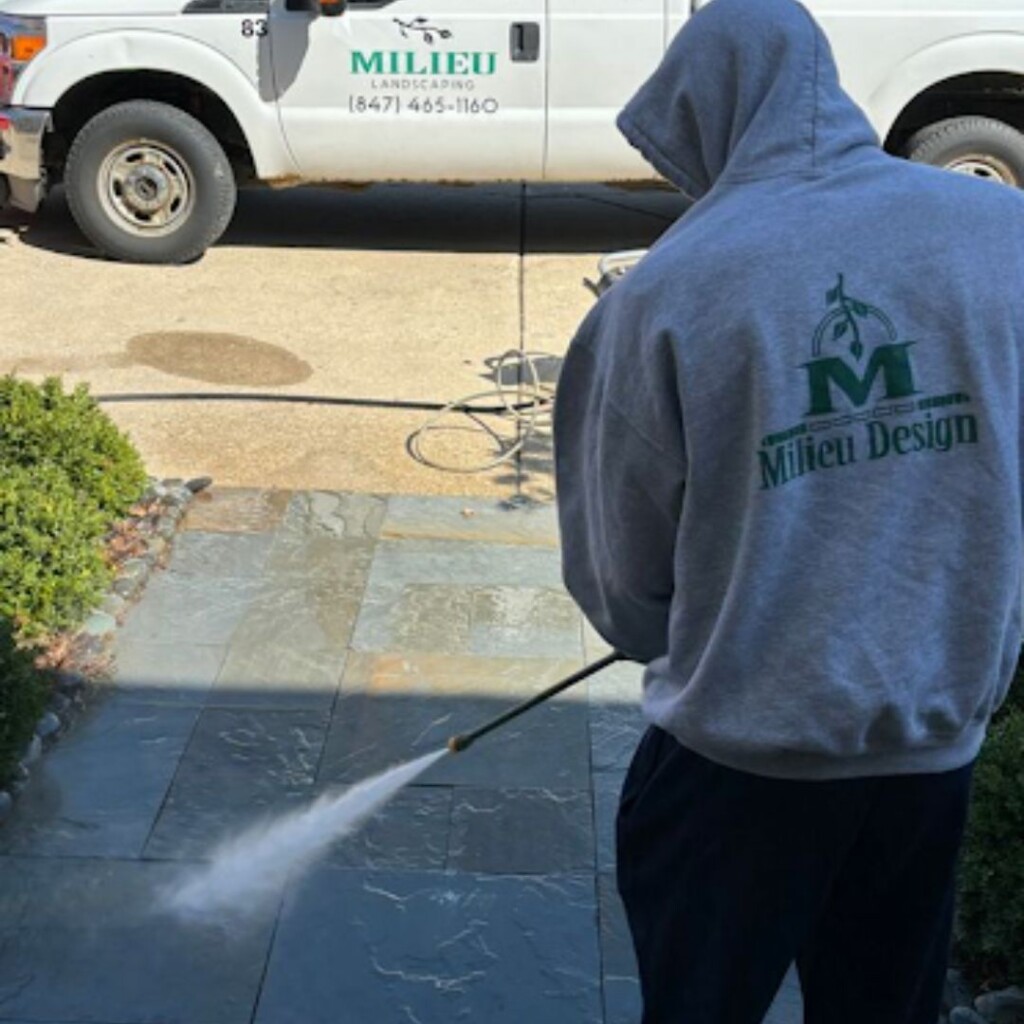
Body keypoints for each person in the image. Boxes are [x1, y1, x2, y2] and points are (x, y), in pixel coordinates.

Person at [552, 0, 1024, 1021]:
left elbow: (623, 591)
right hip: (927, 762)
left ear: (701, 117)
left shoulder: (662, 298)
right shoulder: (1000, 233)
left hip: (734, 774)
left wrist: (717, 606)